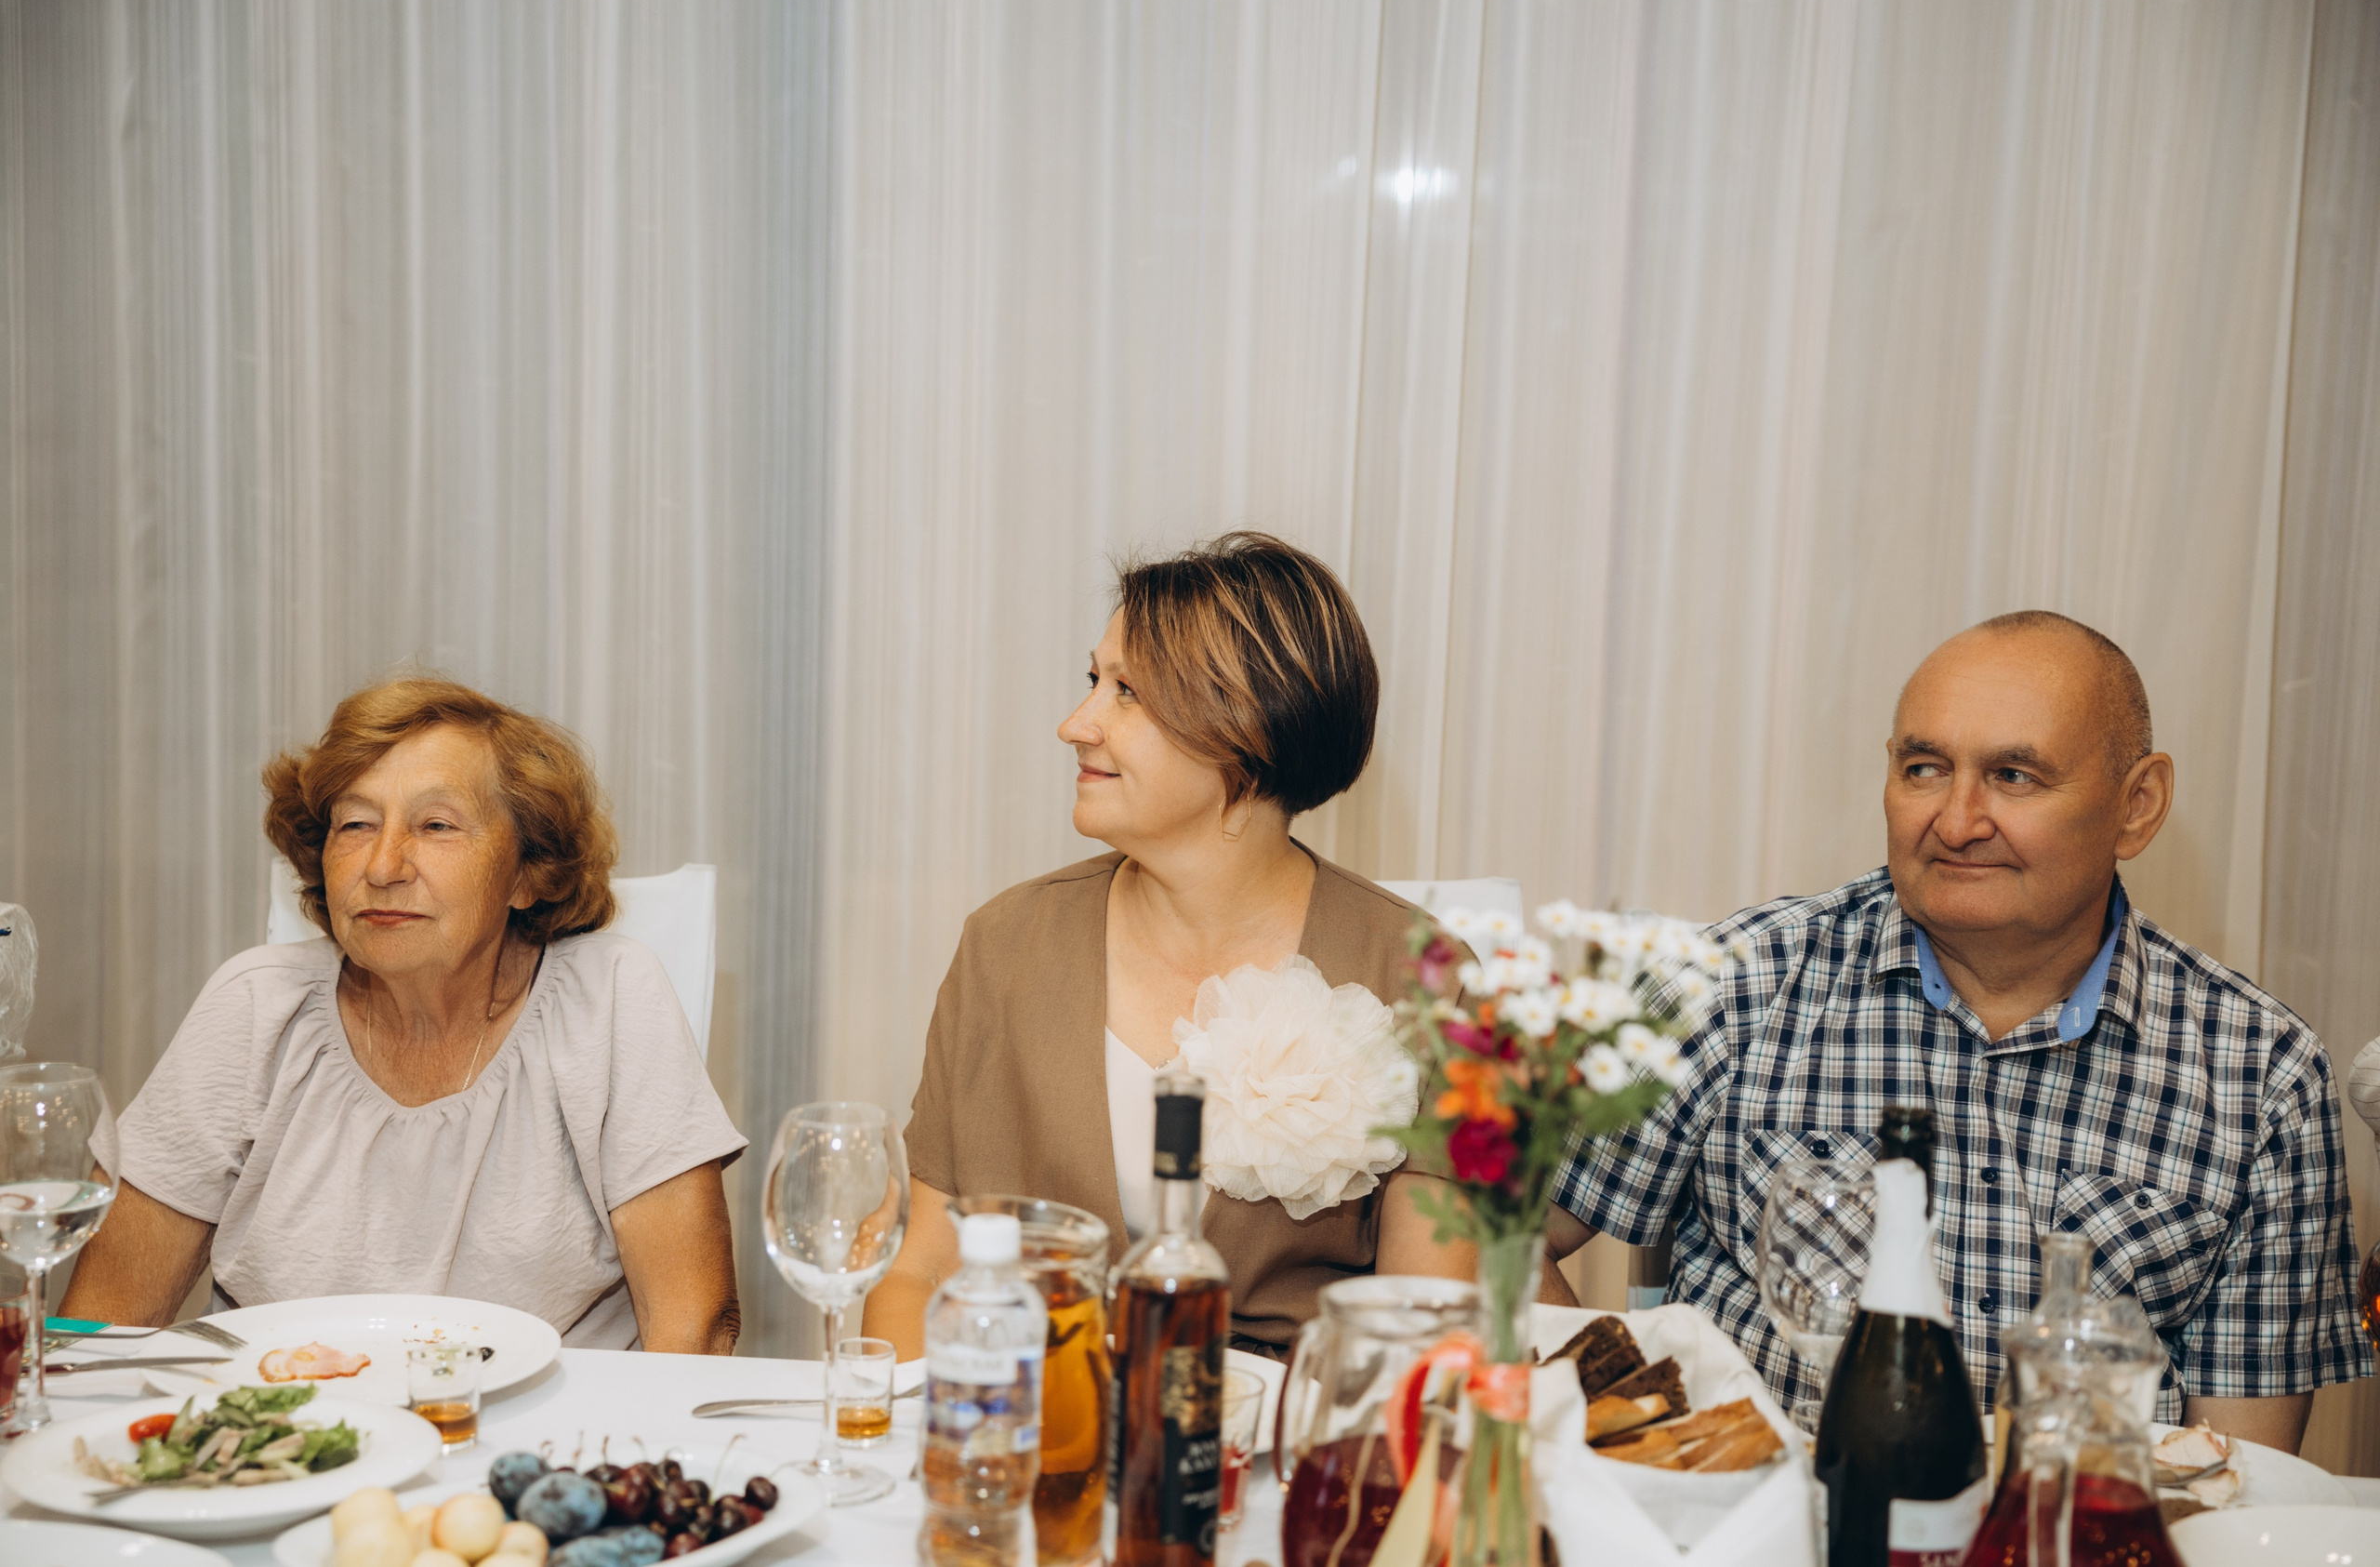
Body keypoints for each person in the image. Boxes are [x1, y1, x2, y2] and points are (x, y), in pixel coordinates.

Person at [1546, 611, 2364, 1454]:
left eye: (2014, 775)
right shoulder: (1725, 985)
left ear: (2137, 805)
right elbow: (1491, 1234)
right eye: (1924, 767)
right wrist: (1640, 1459)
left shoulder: (2262, 1072)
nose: (1957, 819)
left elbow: (2240, 1460)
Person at [866, 532, 1482, 1360]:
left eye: (1128, 693)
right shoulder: (1005, 945)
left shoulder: (1421, 978)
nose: (1075, 723)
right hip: (1038, 1436)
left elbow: (1427, 1327)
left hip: (1284, 1452)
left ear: (1247, 727)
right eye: (1094, 680)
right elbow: (916, 1275)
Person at [66, 679, 745, 1351]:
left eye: (436, 825)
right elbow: (99, 1326)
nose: (383, 864)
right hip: (292, 1438)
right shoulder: (253, 1006)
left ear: (525, 874)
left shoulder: (610, 998)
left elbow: (696, 1326)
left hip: (546, 1445)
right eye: (355, 823)